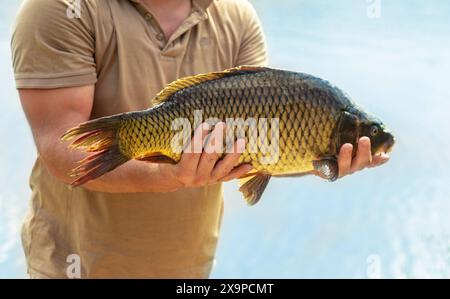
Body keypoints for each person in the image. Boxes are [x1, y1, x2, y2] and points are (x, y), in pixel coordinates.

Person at [11, 0, 389, 278]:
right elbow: (62, 152)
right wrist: (169, 175)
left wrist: (325, 165)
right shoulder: (60, 9)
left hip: (190, 269)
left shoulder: (237, 17)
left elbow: (267, 151)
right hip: (74, 266)